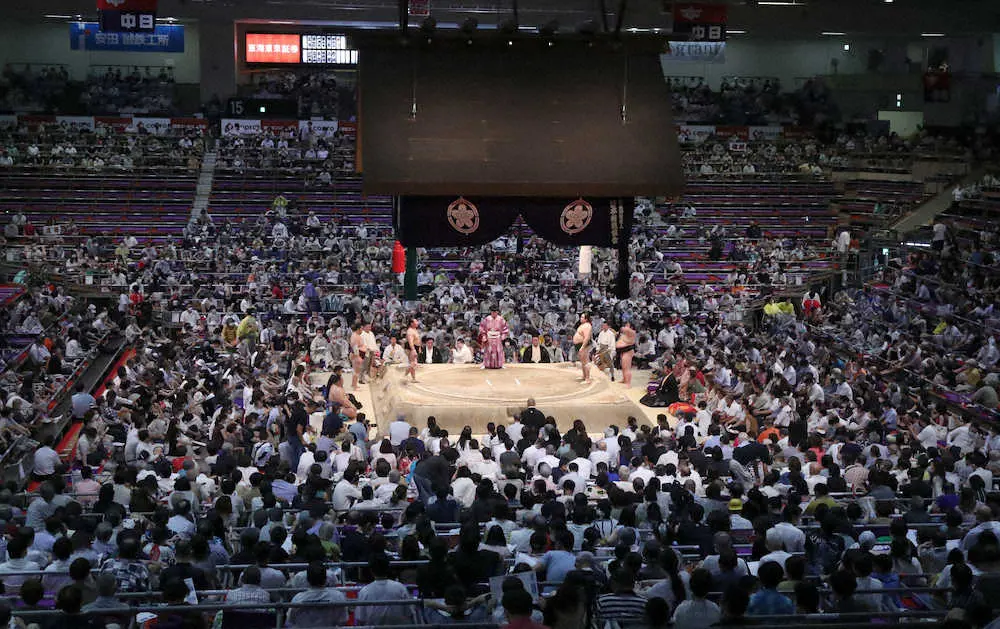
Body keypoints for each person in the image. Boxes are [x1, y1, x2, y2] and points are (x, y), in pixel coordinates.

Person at [287, 561, 349, 627]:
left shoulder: (298, 598)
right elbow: (343, 621)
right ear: (326, 579)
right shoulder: (338, 596)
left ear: (307, 580)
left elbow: (290, 620)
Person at [573, 313, 594, 383]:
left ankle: (587, 378)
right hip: (579, 344)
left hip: (583, 345)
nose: (580, 318)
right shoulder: (583, 325)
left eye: (582, 317)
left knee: (586, 361)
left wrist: (582, 347)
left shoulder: (587, 326)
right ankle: (584, 376)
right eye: (581, 317)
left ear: (586, 319)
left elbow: (587, 337)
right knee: (583, 362)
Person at [615, 321, 637, 387]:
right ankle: (624, 379)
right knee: (623, 367)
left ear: (631, 327)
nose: (625, 326)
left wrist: (623, 328)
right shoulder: (625, 334)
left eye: (627, 325)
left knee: (627, 368)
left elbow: (624, 329)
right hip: (622, 351)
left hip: (628, 351)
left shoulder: (632, 332)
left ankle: (628, 383)